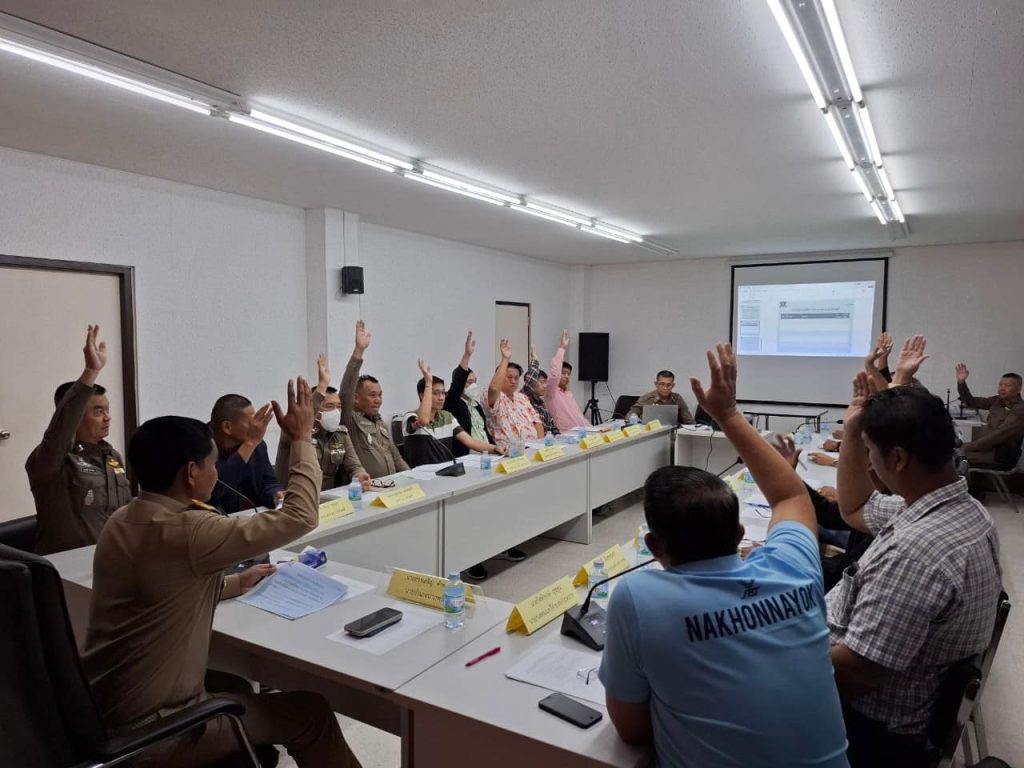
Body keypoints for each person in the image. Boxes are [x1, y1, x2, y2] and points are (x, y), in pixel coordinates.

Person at [82, 379, 361, 767]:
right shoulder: (190, 530)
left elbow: (161, 590)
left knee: (234, 683)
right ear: (191, 474)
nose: (217, 472)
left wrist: (233, 583)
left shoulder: (122, 519)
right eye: (213, 464)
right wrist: (301, 439)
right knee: (310, 713)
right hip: (154, 732)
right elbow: (300, 516)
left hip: (102, 711)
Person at [600, 343, 849, 768]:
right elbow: (791, 496)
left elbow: (632, 730)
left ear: (653, 547)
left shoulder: (639, 597)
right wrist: (730, 414)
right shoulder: (793, 566)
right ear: (740, 534)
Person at [827, 374, 1001, 768]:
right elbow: (855, 509)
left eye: (869, 451)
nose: (869, 463)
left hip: (870, 730)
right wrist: (854, 433)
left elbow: (855, 677)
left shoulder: (917, 553)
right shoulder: (955, 506)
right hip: (891, 694)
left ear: (898, 459)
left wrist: (778, 648)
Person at [26, 325, 133, 555]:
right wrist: (90, 372)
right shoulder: (53, 460)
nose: (108, 417)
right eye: (98, 411)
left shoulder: (112, 457)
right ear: (74, 417)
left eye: (107, 410)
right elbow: (61, 429)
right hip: (68, 567)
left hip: (115, 560)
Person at [275, 353, 370, 492]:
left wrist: (360, 475)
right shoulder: (294, 432)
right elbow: (306, 413)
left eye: (339, 407)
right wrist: (322, 385)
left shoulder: (341, 434)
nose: (336, 412)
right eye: (329, 406)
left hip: (330, 498)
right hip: (296, 497)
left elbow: (354, 466)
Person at [338, 320, 409, 479]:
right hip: (366, 487)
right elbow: (345, 393)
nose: (378, 400)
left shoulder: (380, 423)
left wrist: (412, 479)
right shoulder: (350, 420)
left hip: (390, 486)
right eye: (372, 395)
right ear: (356, 398)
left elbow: (396, 458)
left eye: (380, 395)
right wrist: (358, 352)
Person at [403, 359, 503, 467]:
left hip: (447, 471)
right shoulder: (410, 417)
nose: (441, 398)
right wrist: (428, 384)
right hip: (422, 474)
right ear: (422, 395)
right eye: (435, 393)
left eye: (443, 393)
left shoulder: (447, 417)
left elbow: (470, 442)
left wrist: (495, 448)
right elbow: (423, 421)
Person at [208, 393, 284, 513]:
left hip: (255, 516)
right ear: (227, 427)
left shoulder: (257, 445)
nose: (256, 427)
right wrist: (250, 443)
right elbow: (214, 490)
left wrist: (275, 495)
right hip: (218, 519)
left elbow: (268, 481)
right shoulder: (201, 447)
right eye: (250, 422)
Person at [956, 363, 1024, 470]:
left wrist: (968, 446)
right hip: (986, 448)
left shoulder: (1020, 409)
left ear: (1018, 389)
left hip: (1000, 456)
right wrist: (961, 383)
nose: (1002, 388)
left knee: (954, 458)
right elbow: (971, 401)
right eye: (1001, 385)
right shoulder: (997, 401)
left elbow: (999, 435)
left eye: (1007, 385)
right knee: (951, 454)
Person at [443, 331, 496, 457]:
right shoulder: (452, 402)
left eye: (475, 381)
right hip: (468, 455)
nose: (473, 385)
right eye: (469, 382)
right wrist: (467, 355)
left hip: (487, 452)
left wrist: (496, 449)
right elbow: (457, 383)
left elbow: (484, 431)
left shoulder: (475, 404)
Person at [486, 338, 543, 450]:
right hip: (509, 452)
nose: (513, 381)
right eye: (509, 377)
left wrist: (540, 444)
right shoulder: (492, 395)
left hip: (534, 448)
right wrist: (505, 359)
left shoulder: (522, 398)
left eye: (516, 378)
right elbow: (493, 388)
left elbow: (537, 422)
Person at [544, 329, 589, 432]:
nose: (567, 376)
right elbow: (555, 375)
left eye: (568, 374)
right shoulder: (551, 392)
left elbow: (579, 417)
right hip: (564, 436)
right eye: (563, 373)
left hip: (581, 433)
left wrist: (592, 430)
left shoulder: (569, 394)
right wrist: (562, 348)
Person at [627, 370, 695, 424]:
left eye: (669, 385)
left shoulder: (677, 398)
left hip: (672, 432)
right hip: (651, 432)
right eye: (662, 384)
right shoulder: (647, 398)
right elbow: (630, 414)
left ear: (673, 385)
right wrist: (634, 417)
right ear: (656, 384)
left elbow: (689, 421)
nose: (665, 388)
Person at [523, 344, 559, 435]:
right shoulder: (524, 399)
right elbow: (531, 380)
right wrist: (535, 360)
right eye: (542, 382)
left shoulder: (542, 403)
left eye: (546, 382)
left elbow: (553, 427)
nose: (545, 386)